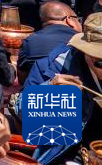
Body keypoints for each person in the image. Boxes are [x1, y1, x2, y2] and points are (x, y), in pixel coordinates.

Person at [21, 12, 102, 165]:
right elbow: (25, 117)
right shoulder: (55, 68)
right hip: (70, 153)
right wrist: (48, 90)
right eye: (100, 63)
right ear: (86, 52)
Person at [16, 0, 80, 82]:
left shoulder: (30, 41)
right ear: (69, 19)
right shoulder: (82, 41)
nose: (80, 23)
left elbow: (22, 79)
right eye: (77, 19)